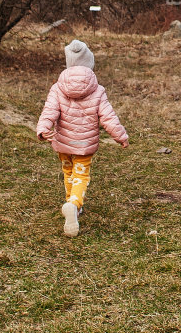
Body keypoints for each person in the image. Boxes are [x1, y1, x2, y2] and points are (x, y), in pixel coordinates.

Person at [35, 55, 127, 237]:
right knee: (81, 175)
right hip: (84, 144)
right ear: (90, 64)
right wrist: (120, 136)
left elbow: (49, 111)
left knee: (68, 172)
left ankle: (71, 203)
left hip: (63, 144)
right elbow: (108, 117)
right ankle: (74, 204)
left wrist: (43, 129)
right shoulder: (97, 90)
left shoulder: (58, 87)